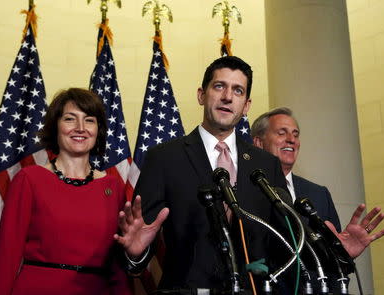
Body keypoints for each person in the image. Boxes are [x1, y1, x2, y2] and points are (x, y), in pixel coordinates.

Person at [115, 56, 288, 294]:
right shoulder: (164, 158)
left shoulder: (267, 165)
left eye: (238, 91)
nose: (228, 96)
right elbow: (141, 238)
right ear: (201, 95)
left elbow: (285, 244)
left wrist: (335, 254)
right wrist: (136, 254)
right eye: (219, 86)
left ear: (246, 106)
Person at [0, 88, 138, 295]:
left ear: (98, 130)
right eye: (70, 119)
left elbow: (116, 265)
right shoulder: (29, 179)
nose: (80, 128)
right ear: (55, 127)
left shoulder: (112, 187)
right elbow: (7, 255)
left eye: (89, 120)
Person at [251, 107, 384, 293]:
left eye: (295, 134)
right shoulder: (245, 191)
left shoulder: (318, 193)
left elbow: (336, 267)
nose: (291, 139)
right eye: (281, 133)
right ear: (258, 142)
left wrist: (343, 254)